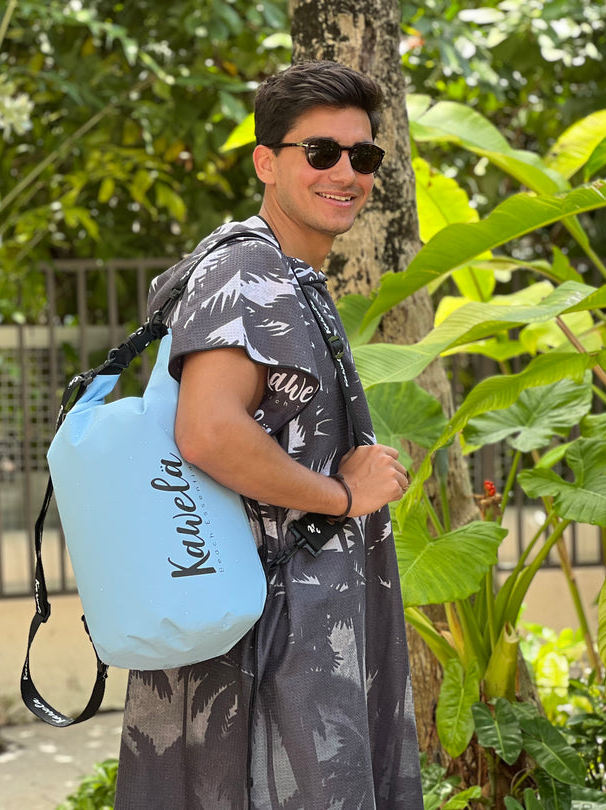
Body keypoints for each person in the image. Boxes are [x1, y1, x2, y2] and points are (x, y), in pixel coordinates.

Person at [115, 60, 423, 809]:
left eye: (363, 155)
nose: (346, 172)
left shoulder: (284, 274)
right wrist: (342, 495)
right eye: (321, 152)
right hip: (274, 639)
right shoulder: (250, 270)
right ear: (266, 162)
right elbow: (209, 433)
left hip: (280, 622)